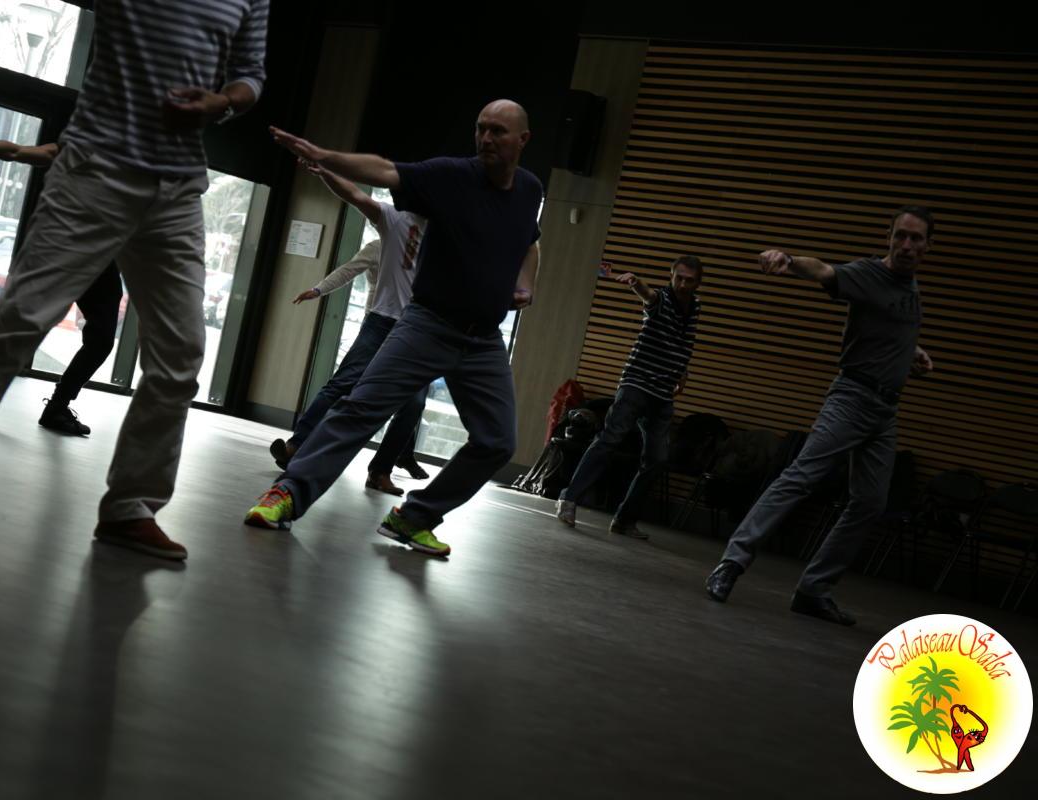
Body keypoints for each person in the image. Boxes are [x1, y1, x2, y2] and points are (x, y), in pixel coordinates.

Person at [0, 0, 269, 562]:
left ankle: (130, 510)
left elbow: (250, 74)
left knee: (181, 354)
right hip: (94, 171)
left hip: (177, 190)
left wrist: (223, 102)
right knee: (15, 320)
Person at [245, 99, 542, 557]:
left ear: (523, 139)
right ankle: (286, 493)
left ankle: (414, 517)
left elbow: (530, 244)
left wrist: (526, 284)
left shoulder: (529, 190)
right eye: (480, 128)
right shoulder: (452, 175)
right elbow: (383, 171)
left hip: (484, 340)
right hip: (428, 325)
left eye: (498, 131)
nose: (486, 138)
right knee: (359, 408)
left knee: (497, 442)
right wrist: (324, 157)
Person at [704, 206, 935, 624]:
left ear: (926, 246)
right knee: (801, 476)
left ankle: (813, 590)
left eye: (915, 238)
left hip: (885, 411)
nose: (906, 245)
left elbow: (889, 326)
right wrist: (790, 260)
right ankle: (731, 563)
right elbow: (825, 271)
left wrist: (911, 353)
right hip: (852, 398)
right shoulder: (869, 273)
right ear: (888, 237)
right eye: (900, 235)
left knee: (870, 502)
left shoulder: (911, 288)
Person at [0, 135, 121, 437]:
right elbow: (17, 151)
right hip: (65, 253)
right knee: (24, 329)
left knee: (102, 340)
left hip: (101, 262)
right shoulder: (80, 151)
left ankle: (57, 407)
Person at [270, 162, 431, 495]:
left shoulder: (442, 234)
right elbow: (356, 202)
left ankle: (381, 470)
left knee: (414, 404)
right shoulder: (391, 226)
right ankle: (296, 445)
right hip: (381, 321)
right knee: (343, 382)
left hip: (417, 330)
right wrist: (318, 289)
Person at [554, 256, 702, 537]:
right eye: (678, 278)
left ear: (698, 283)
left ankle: (624, 519)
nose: (682, 284)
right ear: (671, 276)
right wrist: (636, 283)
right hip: (636, 385)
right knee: (609, 439)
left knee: (657, 459)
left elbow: (684, 342)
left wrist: (682, 372)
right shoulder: (662, 299)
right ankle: (568, 499)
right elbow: (649, 296)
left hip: (662, 394)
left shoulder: (695, 307)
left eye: (689, 280)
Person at [949, 704, 988, 771]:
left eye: (976, 736)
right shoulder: (962, 738)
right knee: (963, 750)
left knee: (962, 749)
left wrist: (969, 711)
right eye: (956, 731)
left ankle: (960, 766)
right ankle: (966, 767)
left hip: (971, 740)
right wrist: (968, 711)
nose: (958, 733)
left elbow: (983, 724)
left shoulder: (981, 734)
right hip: (969, 740)